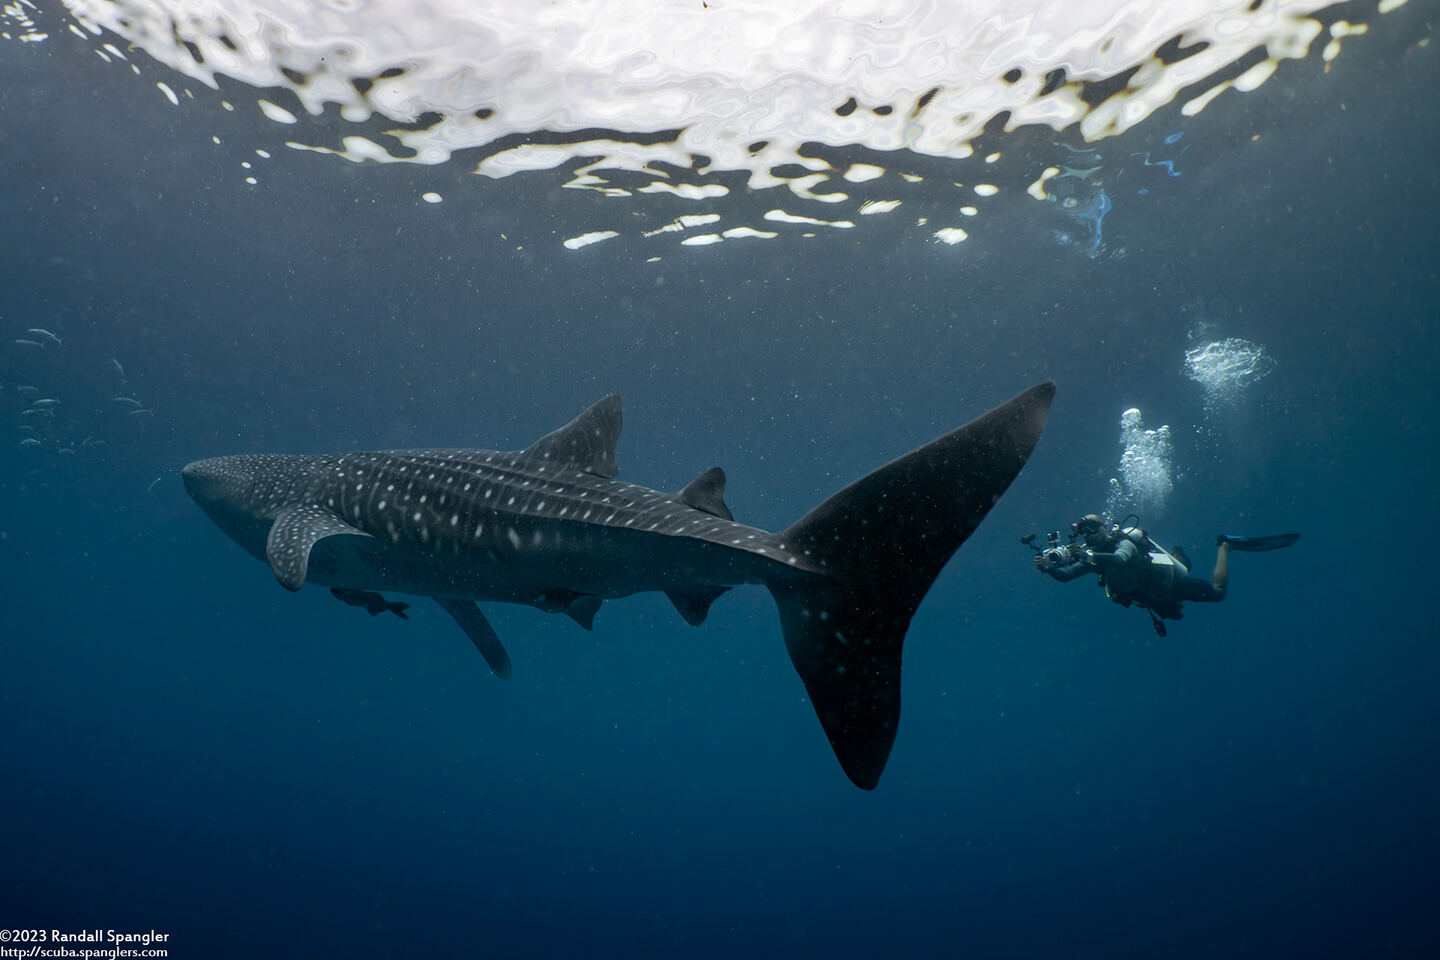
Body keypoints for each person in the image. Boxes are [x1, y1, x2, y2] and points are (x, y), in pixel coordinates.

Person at [1033, 513, 1298, 635]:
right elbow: (1067, 575)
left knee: (1216, 594)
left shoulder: (1123, 542)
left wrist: (1089, 556)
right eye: (1083, 533)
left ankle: (1225, 546)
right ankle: (1178, 554)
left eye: (1091, 529)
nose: (1087, 536)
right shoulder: (1092, 558)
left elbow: (1120, 558)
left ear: (1105, 527)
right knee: (1177, 615)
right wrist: (1048, 570)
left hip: (1169, 583)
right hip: (1150, 594)